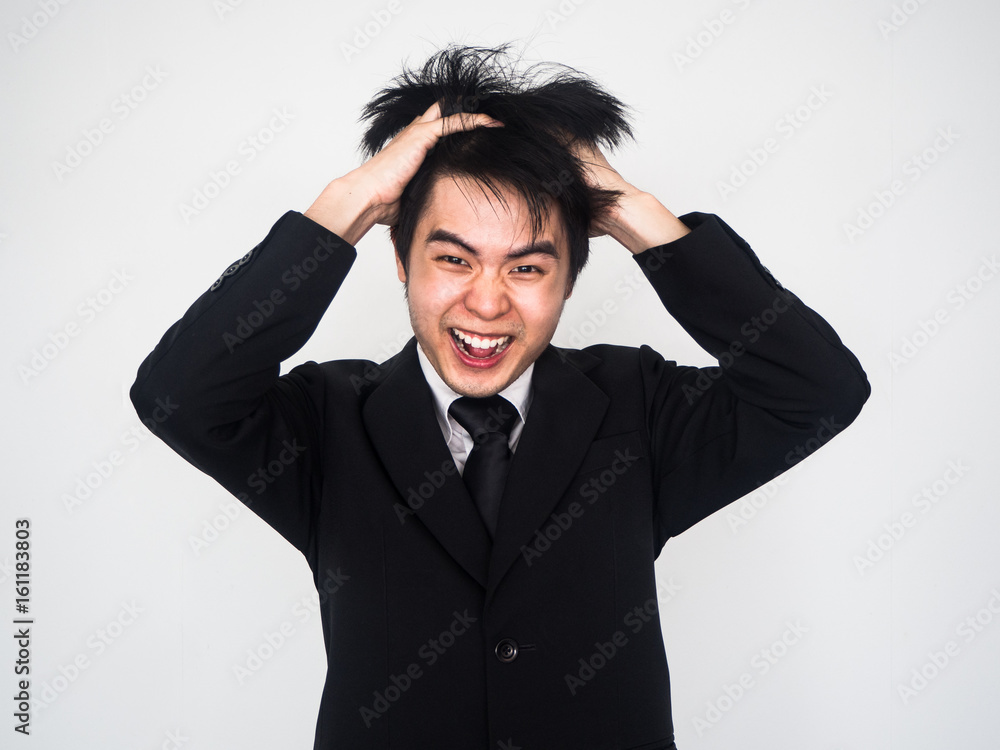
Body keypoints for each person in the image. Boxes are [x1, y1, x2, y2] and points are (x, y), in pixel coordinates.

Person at [131, 44, 870, 750]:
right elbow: (178, 396)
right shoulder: (328, 420)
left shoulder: (637, 406)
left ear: (570, 279)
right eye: (454, 259)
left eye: (527, 268)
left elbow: (818, 391)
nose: (486, 304)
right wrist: (348, 204)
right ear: (401, 258)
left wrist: (629, 208)